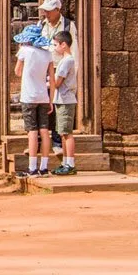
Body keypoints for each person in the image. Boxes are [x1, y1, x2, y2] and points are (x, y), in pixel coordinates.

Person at [13, 24, 54, 178]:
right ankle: (44, 168)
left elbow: (17, 72)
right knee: (44, 131)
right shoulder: (47, 54)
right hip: (43, 96)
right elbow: (52, 78)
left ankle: (32, 168)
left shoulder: (24, 51)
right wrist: (51, 100)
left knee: (32, 131)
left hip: (29, 96)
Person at [37, 0, 76, 156]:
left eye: (48, 10)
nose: (46, 13)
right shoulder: (41, 25)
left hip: (61, 69)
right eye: (44, 10)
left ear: (58, 10)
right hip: (44, 68)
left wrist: (73, 74)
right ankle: (40, 142)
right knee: (43, 105)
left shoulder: (68, 25)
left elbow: (74, 49)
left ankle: (57, 142)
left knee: (57, 106)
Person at [49, 30, 79, 176]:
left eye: (56, 45)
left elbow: (58, 82)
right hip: (62, 99)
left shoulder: (67, 61)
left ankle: (70, 163)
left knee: (67, 133)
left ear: (64, 45)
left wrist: (48, 81)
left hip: (66, 100)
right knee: (62, 133)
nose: (54, 48)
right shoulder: (64, 60)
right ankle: (65, 162)